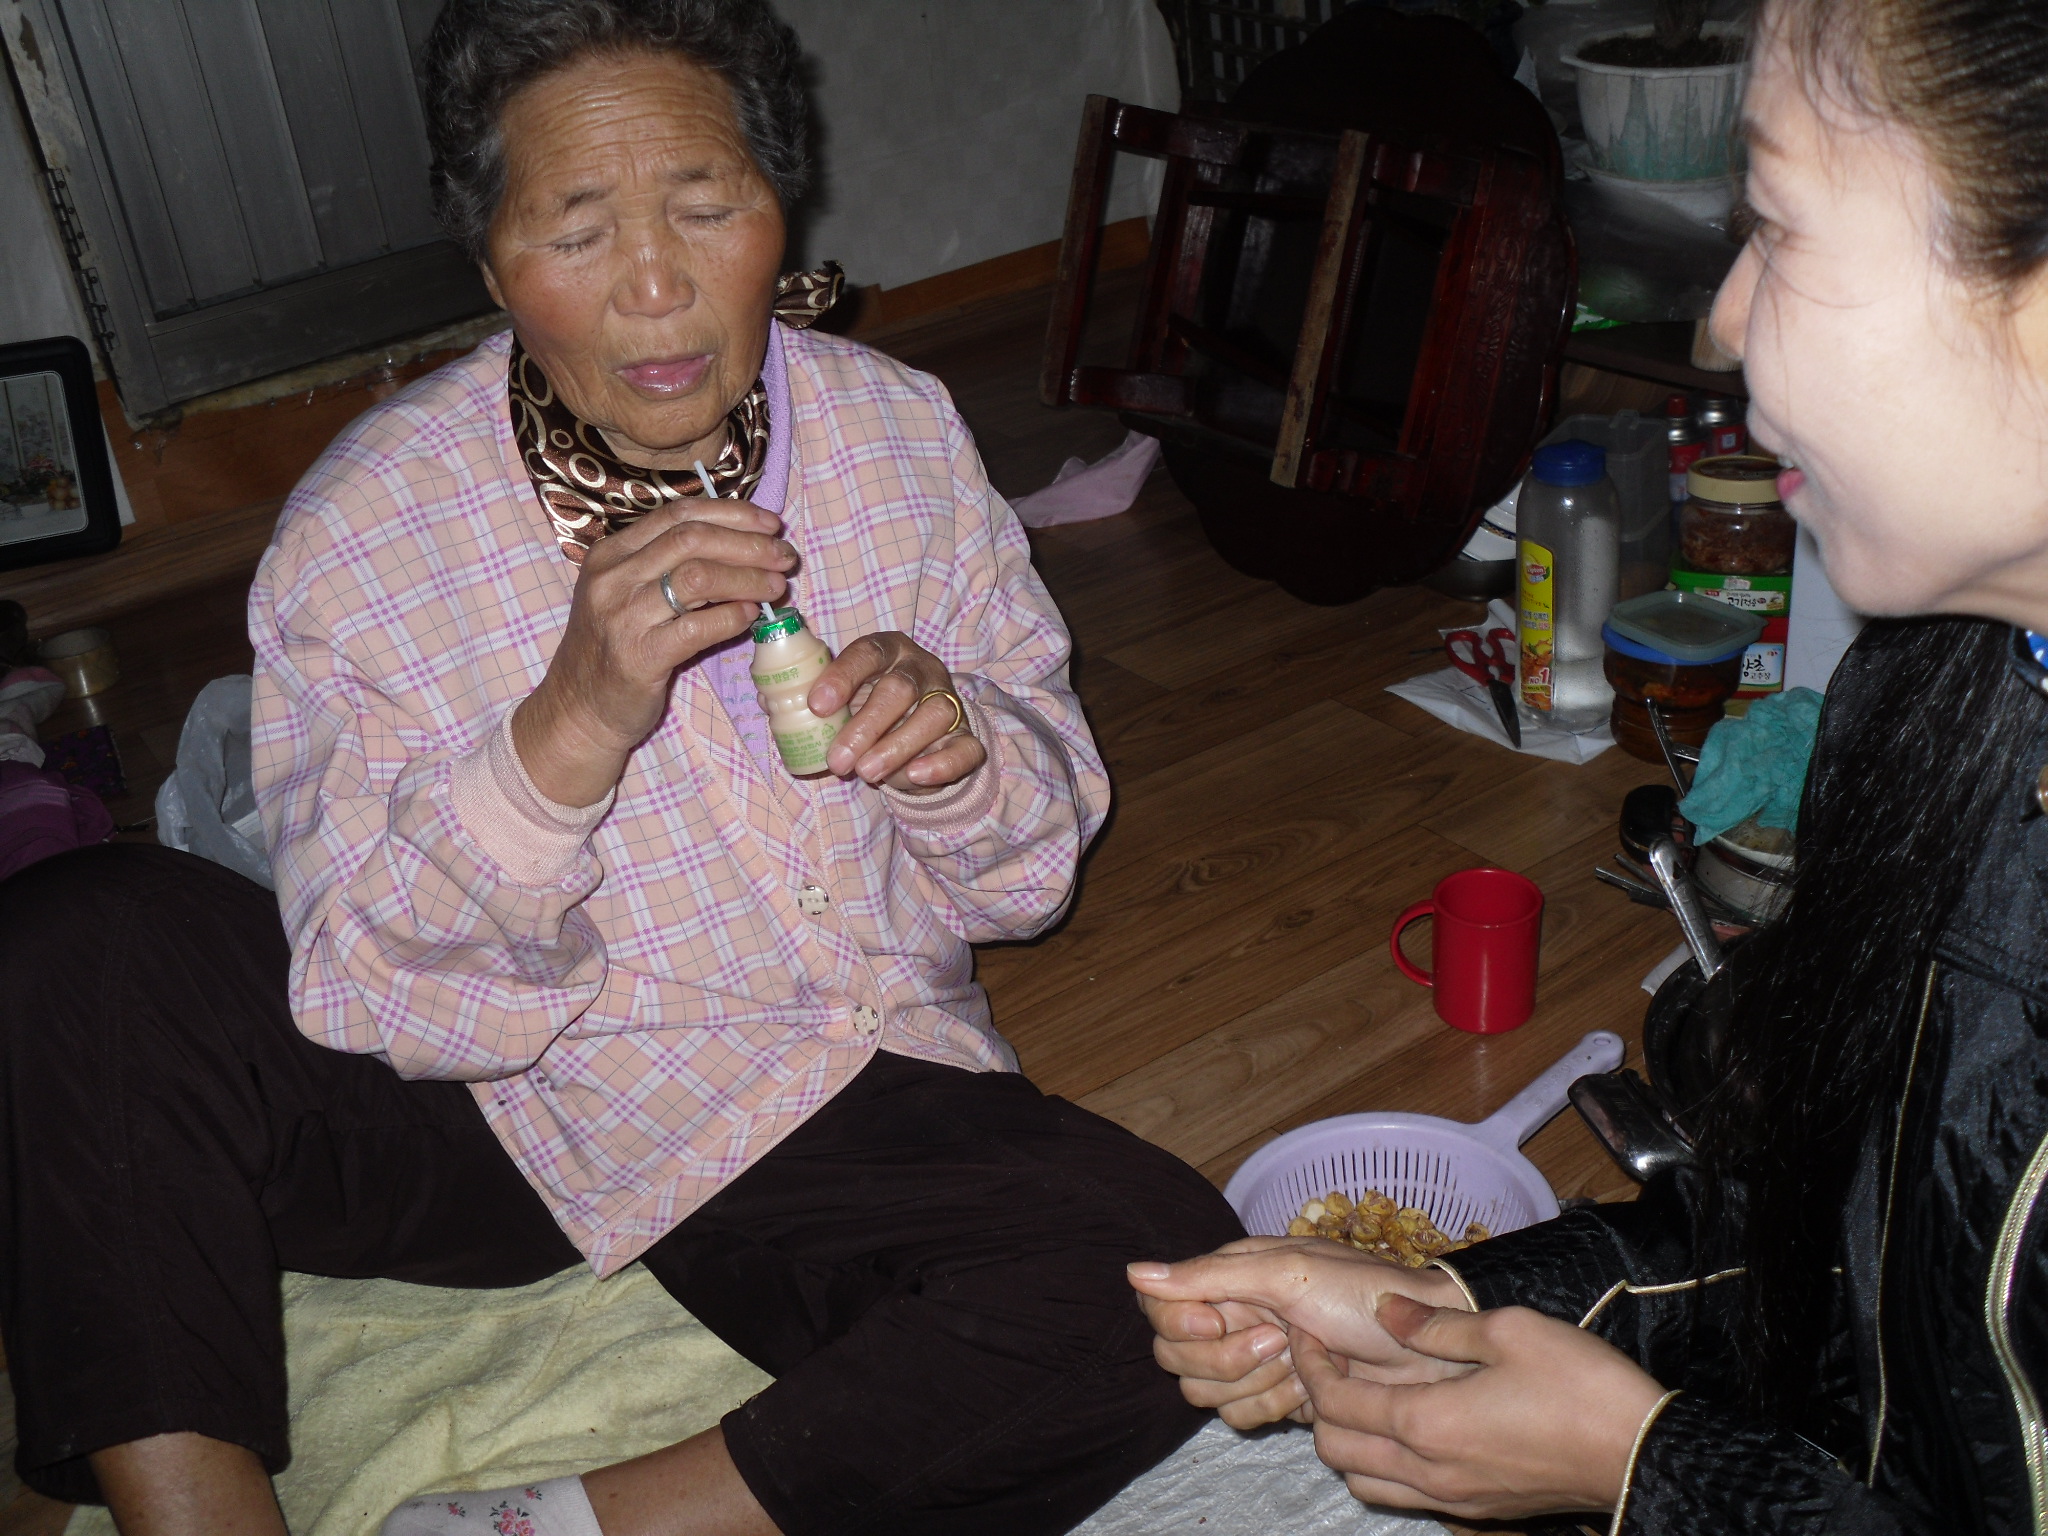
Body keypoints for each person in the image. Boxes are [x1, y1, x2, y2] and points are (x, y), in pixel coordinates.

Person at [0, 3, 1244, 1534]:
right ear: (490, 260)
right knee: (78, 941)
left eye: (706, 208)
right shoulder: (365, 533)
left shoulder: (898, 439)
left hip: (797, 1089)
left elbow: (1028, 881)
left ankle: (546, 1526)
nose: (655, 287)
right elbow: (381, 1001)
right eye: (577, 230)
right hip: (480, 1104)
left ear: (781, 207)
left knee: (1164, 1284)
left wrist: (960, 749)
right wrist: (569, 726)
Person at [1130, 0, 2048, 1530]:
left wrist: (1649, 1473)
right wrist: (1453, 1299)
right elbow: (1840, 1268)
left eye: (1781, 230)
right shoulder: (1940, 686)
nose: (1722, 325)